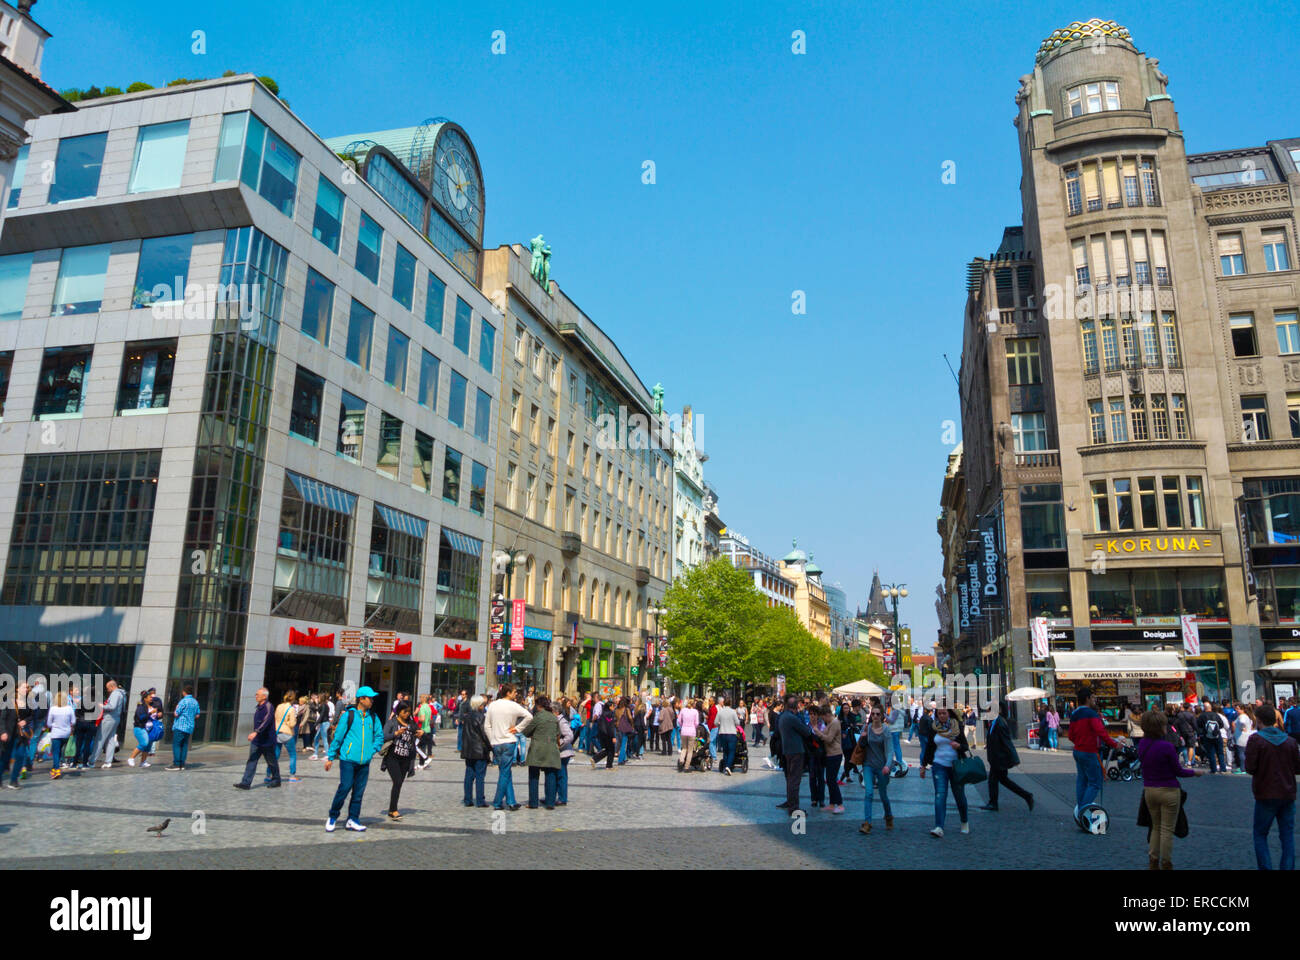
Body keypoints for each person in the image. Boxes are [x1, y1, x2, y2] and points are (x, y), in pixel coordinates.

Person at [1137, 709, 1201, 870]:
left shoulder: (1142, 744)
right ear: (1161, 727)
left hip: (1149, 790)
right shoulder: (1167, 747)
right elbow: (1178, 771)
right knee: (1166, 829)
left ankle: (1153, 860)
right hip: (1169, 790)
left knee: (1155, 827)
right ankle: (1166, 863)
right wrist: (1195, 773)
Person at [1246, 702, 1300, 870]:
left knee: (1260, 834)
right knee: (1287, 836)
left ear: (1259, 720)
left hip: (1265, 792)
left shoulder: (1256, 740)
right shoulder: (1290, 741)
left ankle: (1266, 868)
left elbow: (1250, 767)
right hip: (1287, 793)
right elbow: (1298, 768)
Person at [323, 686, 384, 831]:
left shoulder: (374, 718)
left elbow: (379, 737)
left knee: (358, 792)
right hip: (348, 760)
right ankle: (333, 816)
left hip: (364, 762)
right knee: (344, 788)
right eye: (370, 698)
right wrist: (330, 757)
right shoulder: (348, 716)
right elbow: (338, 737)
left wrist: (371, 751)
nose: (372, 701)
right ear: (361, 699)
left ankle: (353, 819)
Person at [1068, 686, 1119, 816]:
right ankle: (1083, 811)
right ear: (1087, 698)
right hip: (1089, 751)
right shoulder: (1091, 713)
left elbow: (1070, 735)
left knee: (1082, 780)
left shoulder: (1074, 714)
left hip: (1078, 750)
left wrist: (1079, 742)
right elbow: (1100, 731)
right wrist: (1113, 744)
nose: (1094, 699)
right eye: (1092, 697)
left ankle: (1080, 807)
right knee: (1095, 782)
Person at [923, 706, 971, 837]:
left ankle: (964, 821)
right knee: (940, 795)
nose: (942, 716)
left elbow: (966, 746)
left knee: (959, 796)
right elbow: (929, 747)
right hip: (939, 765)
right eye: (939, 714)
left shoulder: (956, 727)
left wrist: (959, 746)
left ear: (949, 714)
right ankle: (939, 826)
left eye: (944, 713)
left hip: (955, 766)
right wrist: (924, 764)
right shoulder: (934, 728)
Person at [485, 684, 532, 811]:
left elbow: (487, 726)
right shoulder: (513, 705)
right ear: (508, 693)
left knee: (505, 772)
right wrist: (517, 729)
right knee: (505, 773)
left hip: (496, 743)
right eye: (514, 692)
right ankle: (497, 802)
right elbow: (529, 716)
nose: (516, 694)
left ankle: (511, 801)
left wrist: (492, 740)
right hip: (509, 742)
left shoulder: (493, 705)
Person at [980, 702, 1033, 812]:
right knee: (1003, 781)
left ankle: (993, 803)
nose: (987, 712)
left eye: (989, 710)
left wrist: (1014, 758)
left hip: (1000, 758)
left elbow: (1007, 742)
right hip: (996, 758)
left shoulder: (1000, 723)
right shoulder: (994, 722)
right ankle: (1026, 796)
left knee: (993, 780)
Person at [234, 687, 281, 790]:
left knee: (271, 761)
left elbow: (266, 721)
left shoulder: (269, 707)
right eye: (256, 694)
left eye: (257, 694)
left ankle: (276, 779)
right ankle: (245, 783)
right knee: (252, 760)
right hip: (257, 741)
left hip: (267, 740)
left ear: (264, 696)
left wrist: (256, 732)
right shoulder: (258, 707)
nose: (255, 696)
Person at [520, 695, 561, 809]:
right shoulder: (554, 718)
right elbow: (558, 733)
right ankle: (550, 803)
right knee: (551, 776)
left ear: (538, 705)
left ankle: (533, 803)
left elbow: (527, 731)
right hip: (551, 749)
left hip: (537, 749)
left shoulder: (537, 717)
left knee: (533, 776)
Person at [858, 705, 894, 834]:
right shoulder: (866, 728)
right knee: (869, 793)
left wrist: (887, 766)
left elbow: (890, 751)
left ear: (882, 716)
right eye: (873, 714)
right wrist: (862, 736)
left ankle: (888, 816)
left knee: (883, 795)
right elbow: (860, 745)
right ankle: (867, 823)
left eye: (878, 714)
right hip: (868, 765)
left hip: (882, 766)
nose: (875, 716)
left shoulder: (886, 731)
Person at [381, 699, 418, 821]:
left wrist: (421, 734)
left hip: (406, 758)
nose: (407, 714)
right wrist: (396, 733)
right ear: (399, 711)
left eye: (408, 711)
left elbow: (419, 734)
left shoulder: (411, 724)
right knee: (397, 781)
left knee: (399, 784)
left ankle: (392, 809)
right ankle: (393, 810)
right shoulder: (392, 723)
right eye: (404, 711)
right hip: (393, 757)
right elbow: (383, 736)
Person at [777, 695, 813, 816]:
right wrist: (801, 715)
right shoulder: (792, 718)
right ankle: (794, 807)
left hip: (787, 750)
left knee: (790, 779)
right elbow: (807, 731)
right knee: (794, 780)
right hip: (796, 751)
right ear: (796, 706)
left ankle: (790, 802)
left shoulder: (783, 716)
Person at [459, 694, 492, 807]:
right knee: (480, 776)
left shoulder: (467, 717)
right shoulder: (481, 717)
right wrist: (491, 746)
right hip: (479, 750)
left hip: (469, 750)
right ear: (480, 705)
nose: (484, 706)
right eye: (483, 704)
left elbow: (464, 734)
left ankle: (468, 799)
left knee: (469, 775)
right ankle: (480, 800)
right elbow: (484, 734)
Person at [0, 682, 34, 789]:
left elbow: (32, 716)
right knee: (5, 758)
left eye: (27, 688)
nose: (26, 689)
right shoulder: (9, 701)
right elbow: (2, 718)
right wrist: (3, 732)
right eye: (24, 687)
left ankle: (13, 780)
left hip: (22, 734)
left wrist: (25, 721)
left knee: (20, 756)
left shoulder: (28, 702)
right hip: (9, 733)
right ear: (17, 689)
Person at [815, 704, 845, 813]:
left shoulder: (834, 723)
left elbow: (829, 739)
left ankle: (840, 804)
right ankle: (832, 804)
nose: (823, 720)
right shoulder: (830, 723)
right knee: (830, 779)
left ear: (827, 714)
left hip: (835, 754)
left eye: (823, 717)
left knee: (832, 780)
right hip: (830, 754)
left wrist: (818, 732)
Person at [91, 679, 124, 768]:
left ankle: (92, 760)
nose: (107, 690)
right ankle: (108, 761)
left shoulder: (115, 694)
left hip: (109, 718)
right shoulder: (121, 693)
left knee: (100, 739)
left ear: (112, 686)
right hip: (115, 718)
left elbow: (112, 706)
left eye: (108, 688)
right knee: (110, 740)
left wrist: (102, 706)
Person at [168, 686, 201, 771]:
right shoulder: (195, 702)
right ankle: (182, 764)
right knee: (185, 745)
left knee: (177, 745)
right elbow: (197, 715)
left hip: (180, 726)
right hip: (189, 727)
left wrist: (176, 708)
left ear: (184, 692)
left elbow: (176, 713)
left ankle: (176, 764)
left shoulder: (183, 701)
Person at [272, 690, 300, 783]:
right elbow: (292, 724)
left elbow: (275, 718)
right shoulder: (291, 709)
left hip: (277, 732)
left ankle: (269, 774)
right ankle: (292, 775)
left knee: (275, 754)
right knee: (292, 754)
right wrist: (290, 722)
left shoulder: (279, 706)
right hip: (287, 733)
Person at [46, 691, 74, 780]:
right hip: (66, 733)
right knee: (59, 751)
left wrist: (54, 725)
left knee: (55, 752)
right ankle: (54, 768)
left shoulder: (53, 709)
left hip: (56, 733)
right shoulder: (69, 708)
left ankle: (57, 770)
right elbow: (73, 721)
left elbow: (49, 723)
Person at [126, 690, 157, 768]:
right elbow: (141, 717)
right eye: (149, 697)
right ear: (145, 698)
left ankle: (143, 762)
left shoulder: (148, 706)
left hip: (147, 728)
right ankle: (131, 758)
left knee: (148, 746)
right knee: (144, 743)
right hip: (139, 728)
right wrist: (150, 713)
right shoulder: (141, 706)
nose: (151, 698)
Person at [716, 695, 741, 776]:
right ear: (730, 703)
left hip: (722, 733)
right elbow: (737, 723)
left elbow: (715, 722)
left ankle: (725, 766)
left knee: (725, 751)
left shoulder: (720, 712)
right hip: (731, 733)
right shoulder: (733, 712)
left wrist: (721, 723)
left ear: (724, 703)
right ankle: (728, 766)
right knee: (731, 751)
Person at [556, 703, 575, 806]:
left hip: (564, 752)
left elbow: (569, 735)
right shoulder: (558, 720)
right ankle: (553, 796)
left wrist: (560, 744)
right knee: (557, 775)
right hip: (560, 753)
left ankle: (562, 798)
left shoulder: (561, 721)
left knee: (562, 776)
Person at [676, 698, 701, 772]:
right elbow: (697, 723)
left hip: (684, 731)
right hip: (691, 731)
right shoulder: (695, 711)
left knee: (684, 748)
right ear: (694, 704)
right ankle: (686, 767)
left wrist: (682, 725)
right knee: (690, 750)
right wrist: (693, 727)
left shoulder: (683, 710)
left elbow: (679, 721)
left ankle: (681, 760)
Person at [1233, 703, 1256, 774]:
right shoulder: (1246, 716)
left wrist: (1242, 727)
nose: (1236, 710)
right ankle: (1244, 767)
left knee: (1241, 753)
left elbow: (1242, 722)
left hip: (1241, 737)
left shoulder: (1242, 716)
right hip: (1243, 736)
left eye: (1238, 709)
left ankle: (1243, 768)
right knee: (1243, 753)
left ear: (1242, 709)